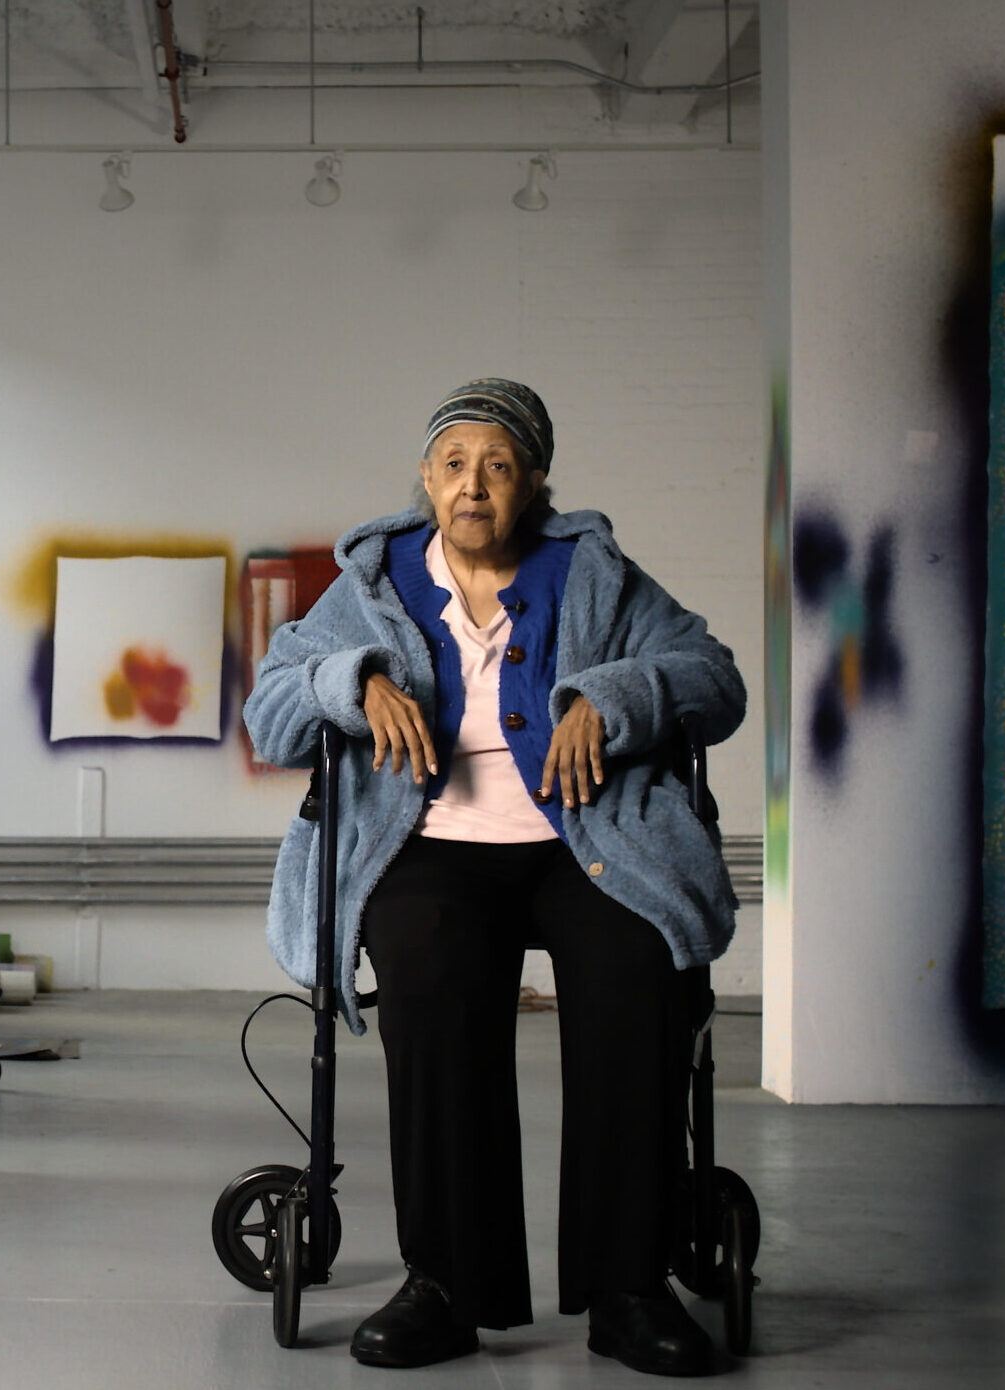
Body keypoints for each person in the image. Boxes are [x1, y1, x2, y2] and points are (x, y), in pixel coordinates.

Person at [245, 378, 746, 1377]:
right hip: (430, 843)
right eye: (455, 464)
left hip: (588, 837)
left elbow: (714, 675)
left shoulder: (594, 574)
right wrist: (356, 680)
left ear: (536, 482)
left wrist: (615, 697)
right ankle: (446, 1284)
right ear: (427, 478)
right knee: (429, 987)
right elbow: (271, 710)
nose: (474, 486)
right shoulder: (373, 584)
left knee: (637, 974)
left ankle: (630, 1286)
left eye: (499, 465)